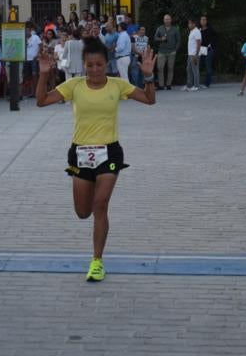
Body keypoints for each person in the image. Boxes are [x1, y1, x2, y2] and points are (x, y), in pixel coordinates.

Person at [36, 36, 156, 282]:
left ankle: (97, 261)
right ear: (84, 65)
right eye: (89, 65)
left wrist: (148, 76)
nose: (94, 70)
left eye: (99, 65)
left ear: (106, 63)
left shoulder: (117, 85)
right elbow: (41, 101)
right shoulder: (75, 86)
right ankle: (94, 227)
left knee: (101, 204)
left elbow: (149, 99)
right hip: (80, 154)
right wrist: (43, 74)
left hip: (109, 153)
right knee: (83, 212)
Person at [153, 13, 180, 90]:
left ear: (171, 20)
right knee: (160, 68)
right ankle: (161, 85)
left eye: (168, 19)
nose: (167, 20)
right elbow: (155, 38)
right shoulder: (160, 28)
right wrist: (161, 39)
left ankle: (168, 84)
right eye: (165, 19)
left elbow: (178, 41)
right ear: (163, 20)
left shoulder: (175, 29)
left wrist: (175, 50)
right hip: (161, 51)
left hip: (172, 52)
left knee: (170, 68)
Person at [24, 23, 41, 97]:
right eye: (25, 31)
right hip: (26, 60)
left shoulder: (36, 37)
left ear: (30, 30)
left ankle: (36, 92)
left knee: (35, 76)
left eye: (27, 30)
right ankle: (32, 92)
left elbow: (41, 46)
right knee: (29, 77)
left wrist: (37, 55)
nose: (26, 32)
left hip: (34, 60)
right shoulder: (23, 38)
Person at [184, 17, 201, 91]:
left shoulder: (197, 31)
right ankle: (189, 85)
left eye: (190, 23)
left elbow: (199, 44)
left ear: (194, 24)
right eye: (188, 23)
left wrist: (196, 55)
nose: (189, 25)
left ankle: (196, 86)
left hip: (194, 54)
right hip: (190, 54)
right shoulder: (192, 31)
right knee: (189, 69)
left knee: (195, 70)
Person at [199, 14, 216, 88]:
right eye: (202, 20)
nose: (203, 21)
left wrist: (210, 45)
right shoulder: (198, 30)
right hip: (200, 50)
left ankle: (207, 83)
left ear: (206, 21)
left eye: (204, 20)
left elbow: (214, 39)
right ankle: (196, 82)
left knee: (208, 66)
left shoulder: (210, 29)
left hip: (208, 50)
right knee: (198, 66)